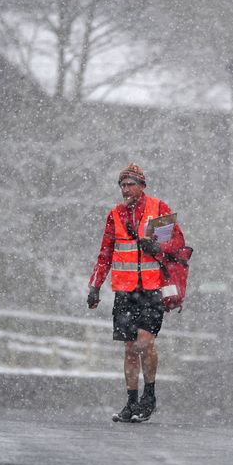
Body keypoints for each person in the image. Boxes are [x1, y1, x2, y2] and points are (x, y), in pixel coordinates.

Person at [87, 163, 185, 423]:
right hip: (124, 291)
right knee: (130, 348)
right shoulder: (115, 215)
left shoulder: (158, 208)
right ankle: (131, 402)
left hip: (152, 290)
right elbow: (105, 253)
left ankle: (149, 396)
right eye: (122, 185)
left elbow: (177, 242)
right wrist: (95, 286)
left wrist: (157, 245)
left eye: (131, 184)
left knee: (145, 342)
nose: (126, 189)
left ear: (142, 186)